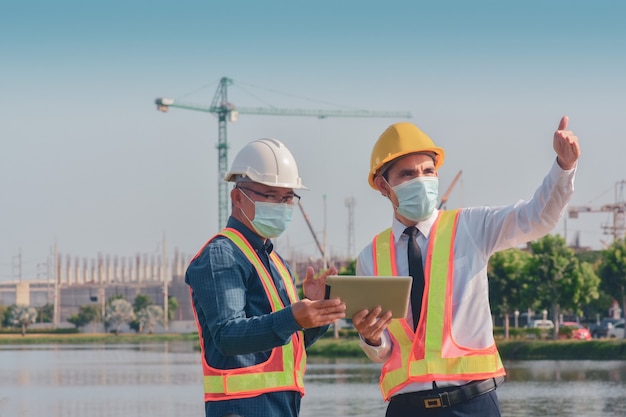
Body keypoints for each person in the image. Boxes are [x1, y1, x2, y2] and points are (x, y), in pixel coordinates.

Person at [352, 117, 580, 417]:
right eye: (408, 174)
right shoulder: (371, 257)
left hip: (473, 404)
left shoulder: (471, 227)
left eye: (428, 171)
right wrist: (370, 337)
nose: (421, 180)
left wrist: (564, 167)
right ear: (383, 185)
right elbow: (384, 350)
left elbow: (536, 217)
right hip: (406, 408)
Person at [185, 137, 346, 417]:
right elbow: (227, 335)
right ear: (237, 197)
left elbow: (284, 343)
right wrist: (294, 317)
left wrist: (315, 312)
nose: (281, 205)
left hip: (280, 407)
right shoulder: (222, 254)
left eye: (287, 198)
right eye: (270, 195)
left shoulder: (272, 259)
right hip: (241, 408)